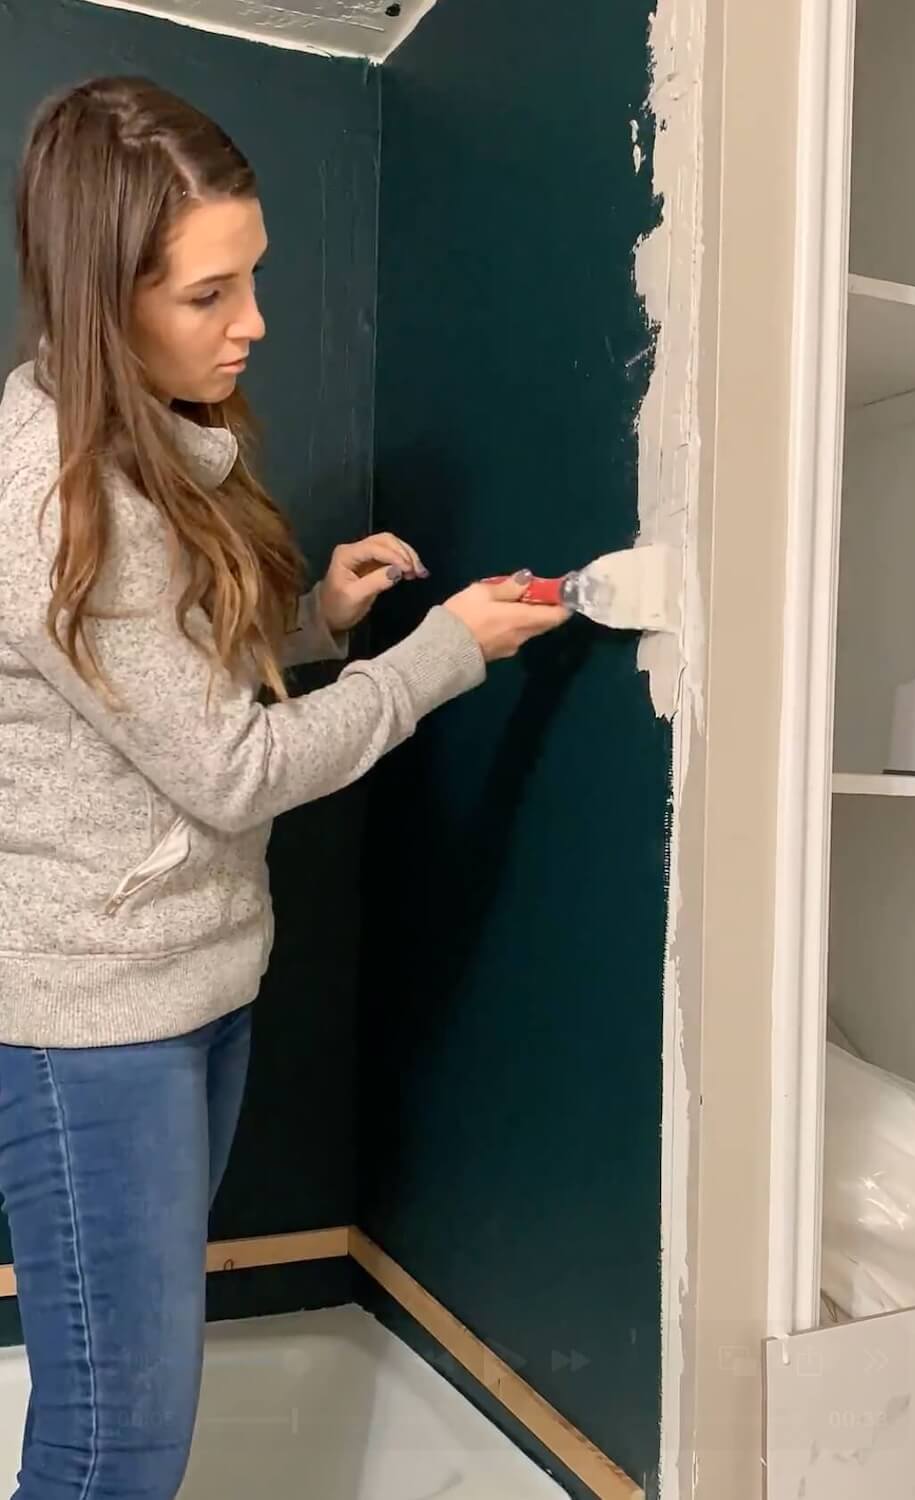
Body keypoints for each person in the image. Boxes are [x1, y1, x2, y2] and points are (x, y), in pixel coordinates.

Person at [0, 76, 566, 1500]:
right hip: (97, 1026)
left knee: (134, 1406)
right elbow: (236, 769)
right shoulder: (58, 501)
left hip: (197, 986)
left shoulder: (147, 443)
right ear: (100, 300)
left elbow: (165, 692)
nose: (255, 321)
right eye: (211, 293)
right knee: (115, 1445)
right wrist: (443, 656)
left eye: (253, 275)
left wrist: (314, 621)